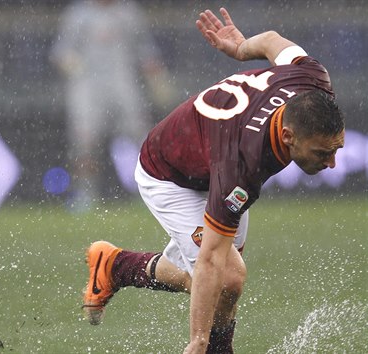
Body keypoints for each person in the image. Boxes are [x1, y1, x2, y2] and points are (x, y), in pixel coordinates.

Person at [82, 7, 345, 354]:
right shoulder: (242, 163)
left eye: (336, 149)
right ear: (289, 135)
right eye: (322, 153)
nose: (332, 163)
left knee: (225, 282)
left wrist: (240, 49)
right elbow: (211, 262)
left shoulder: (312, 78)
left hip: (209, 161)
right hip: (168, 175)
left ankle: (117, 266)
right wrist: (198, 340)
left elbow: (270, 41)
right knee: (227, 277)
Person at [50, 0, 170, 210]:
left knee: (142, 139)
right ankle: (85, 194)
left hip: (123, 83)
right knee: (84, 142)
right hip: (87, 87)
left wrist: (157, 80)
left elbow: (145, 51)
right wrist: (72, 65)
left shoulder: (128, 13)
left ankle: (151, 193)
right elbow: (61, 52)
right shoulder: (78, 14)